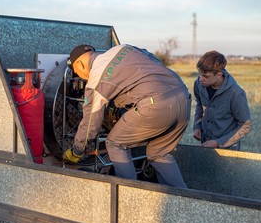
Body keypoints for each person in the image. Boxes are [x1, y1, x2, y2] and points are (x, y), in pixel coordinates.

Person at [62, 44, 191, 188]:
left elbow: (91, 121)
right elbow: (152, 62)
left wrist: (77, 150)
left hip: (155, 106)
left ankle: (129, 195)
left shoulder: (97, 78)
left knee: (115, 143)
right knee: (158, 154)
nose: (80, 77)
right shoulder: (123, 48)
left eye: (76, 72)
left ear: (79, 63)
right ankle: (183, 199)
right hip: (183, 99)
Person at [193, 50, 251, 150]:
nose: (201, 79)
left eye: (206, 76)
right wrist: (197, 126)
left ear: (219, 74)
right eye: (200, 74)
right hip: (205, 145)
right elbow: (199, 105)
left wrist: (218, 143)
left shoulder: (236, 93)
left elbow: (245, 125)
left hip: (228, 151)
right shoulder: (198, 84)